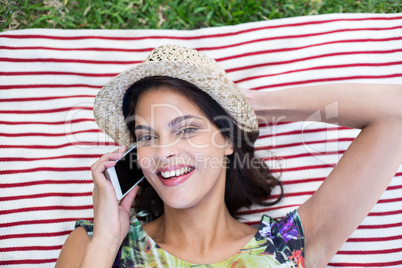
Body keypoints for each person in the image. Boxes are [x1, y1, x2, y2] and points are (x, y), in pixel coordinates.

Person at [56, 45, 402, 268]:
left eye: (187, 129)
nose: (163, 152)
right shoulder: (93, 243)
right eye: (147, 136)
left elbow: (395, 111)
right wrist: (106, 242)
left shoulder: (291, 244)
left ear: (228, 139)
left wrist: (245, 104)